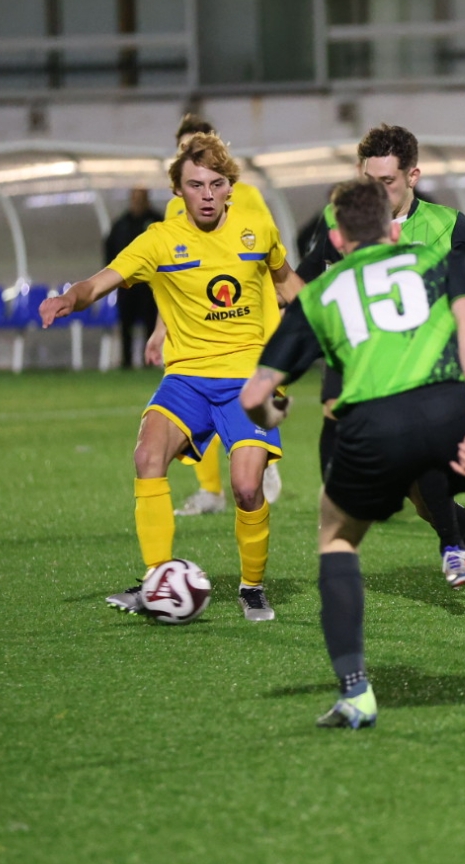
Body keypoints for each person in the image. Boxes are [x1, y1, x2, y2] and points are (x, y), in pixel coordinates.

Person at [240, 178, 465, 729]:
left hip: (369, 429)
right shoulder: (440, 261)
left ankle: (356, 693)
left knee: (338, 539)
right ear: (393, 230)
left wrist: (274, 416)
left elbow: (255, 395)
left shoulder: (318, 296)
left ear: (337, 240)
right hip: (451, 410)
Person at [290, 124, 465, 601]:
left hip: (433, 373)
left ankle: (453, 548)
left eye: (387, 182)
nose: (376, 192)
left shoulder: (448, 226)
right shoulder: (341, 218)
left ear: (412, 176)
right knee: (423, 501)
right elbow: (304, 278)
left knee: (421, 463)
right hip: (365, 371)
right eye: (369, 180)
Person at [40, 131, 294, 621]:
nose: (207, 194)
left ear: (230, 187)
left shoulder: (257, 230)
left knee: (246, 487)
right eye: (195, 185)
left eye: (216, 184)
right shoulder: (159, 240)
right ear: (178, 190)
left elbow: (289, 284)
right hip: (188, 379)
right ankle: (157, 581)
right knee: (146, 455)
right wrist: (70, 298)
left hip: (248, 380)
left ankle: (252, 586)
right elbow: (102, 281)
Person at [146, 114, 282, 517]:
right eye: (186, 149)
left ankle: (258, 456)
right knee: (195, 404)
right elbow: (173, 280)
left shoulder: (248, 198)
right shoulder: (174, 210)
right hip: (198, 330)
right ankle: (211, 490)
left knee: (241, 401)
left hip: (250, 323)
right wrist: (159, 330)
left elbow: (269, 259)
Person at [104, 188, 162, 369]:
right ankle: (126, 361)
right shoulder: (121, 224)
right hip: (126, 284)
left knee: (150, 321)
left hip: (150, 285)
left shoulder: (158, 222)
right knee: (125, 323)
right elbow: (109, 250)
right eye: (135, 199)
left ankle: (149, 361)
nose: (137, 203)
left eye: (141, 199)